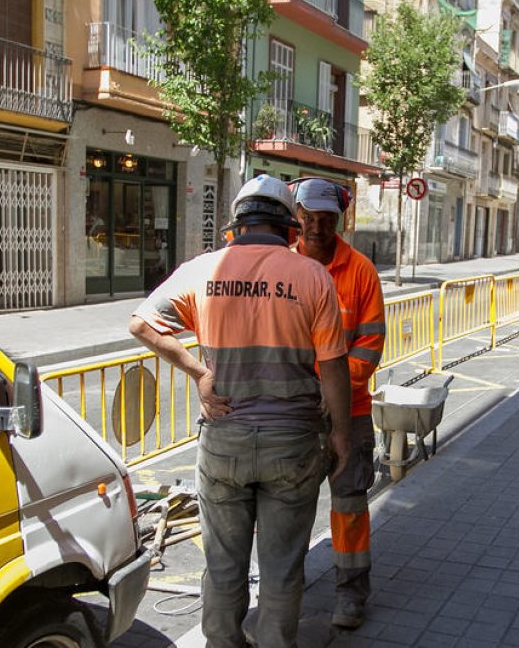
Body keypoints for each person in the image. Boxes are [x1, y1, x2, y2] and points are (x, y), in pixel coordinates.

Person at [129, 174, 352, 648]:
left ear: (236, 225)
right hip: (291, 444)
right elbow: (332, 367)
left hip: (223, 439)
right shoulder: (312, 276)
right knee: (282, 567)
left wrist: (197, 372)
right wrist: (341, 438)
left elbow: (142, 324)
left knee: (222, 565)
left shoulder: (203, 269)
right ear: (289, 228)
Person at [288, 177, 385, 630]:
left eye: (326, 220)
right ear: (298, 217)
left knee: (348, 504)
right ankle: (285, 595)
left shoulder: (361, 270)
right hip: (299, 414)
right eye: (309, 218)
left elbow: (368, 346)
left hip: (351, 412)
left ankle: (351, 594)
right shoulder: (283, 266)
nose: (317, 228)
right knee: (289, 508)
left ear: (339, 220)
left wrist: (332, 392)